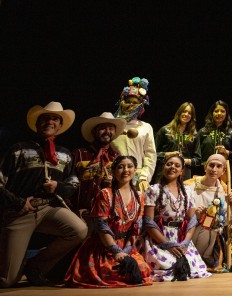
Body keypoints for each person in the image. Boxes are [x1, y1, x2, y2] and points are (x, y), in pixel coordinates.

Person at [0, 102, 88, 288]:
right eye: (45, 118)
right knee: (7, 281)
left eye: (55, 119)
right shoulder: (19, 149)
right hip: (21, 211)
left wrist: (58, 187)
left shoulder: (64, 155)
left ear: (60, 125)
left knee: (79, 230)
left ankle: (35, 266)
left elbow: (73, 184)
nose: (50, 121)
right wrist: (16, 203)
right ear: (37, 123)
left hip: (48, 208)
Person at [64, 155, 152, 287]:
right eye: (120, 167)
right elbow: (101, 226)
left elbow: (135, 228)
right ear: (114, 171)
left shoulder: (139, 197)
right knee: (112, 271)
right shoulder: (105, 194)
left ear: (135, 170)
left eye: (129, 166)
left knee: (143, 269)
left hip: (126, 246)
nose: (125, 170)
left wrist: (126, 251)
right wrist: (116, 251)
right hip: (104, 246)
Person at [141, 154, 210, 281]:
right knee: (168, 266)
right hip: (160, 237)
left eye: (177, 165)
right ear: (163, 167)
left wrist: (186, 242)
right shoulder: (154, 189)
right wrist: (168, 244)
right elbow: (148, 222)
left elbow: (192, 219)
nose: (172, 167)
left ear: (181, 171)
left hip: (181, 237)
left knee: (193, 268)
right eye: (169, 164)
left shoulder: (188, 191)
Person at [186, 153, 232, 270]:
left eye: (218, 166)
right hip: (190, 231)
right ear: (205, 167)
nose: (214, 169)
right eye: (211, 165)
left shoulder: (223, 191)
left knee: (211, 225)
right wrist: (193, 213)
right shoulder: (189, 187)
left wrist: (231, 205)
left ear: (223, 171)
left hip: (212, 236)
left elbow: (227, 222)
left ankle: (206, 258)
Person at [71, 111, 125, 217]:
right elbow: (68, 183)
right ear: (94, 132)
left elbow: (123, 185)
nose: (107, 132)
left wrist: (113, 183)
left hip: (108, 214)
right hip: (80, 213)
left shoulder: (117, 158)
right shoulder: (79, 154)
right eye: (102, 128)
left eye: (111, 128)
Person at [112, 77, 157, 191]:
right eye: (128, 101)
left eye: (135, 103)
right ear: (122, 102)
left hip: (137, 178)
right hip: (114, 176)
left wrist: (145, 176)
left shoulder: (146, 127)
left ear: (141, 105)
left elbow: (150, 155)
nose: (131, 105)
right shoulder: (112, 125)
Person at [193, 100, 232, 183]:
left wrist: (227, 152)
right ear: (212, 113)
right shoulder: (202, 132)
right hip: (204, 171)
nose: (219, 113)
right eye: (216, 111)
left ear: (226, 114)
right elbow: (197, 155)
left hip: (223, 173)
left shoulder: (231, 133)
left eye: (222, 111)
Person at [155, 102, 197, 181]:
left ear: (192, 117)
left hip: (184, 174)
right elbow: (153, 154)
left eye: (190, 113)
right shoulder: (165, 130)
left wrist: (184, 161)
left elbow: (198, 160)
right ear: (179, 112)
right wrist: (167, 154)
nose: (186, 114)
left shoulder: (194, 135)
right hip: (165, 172)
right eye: (184, 111)